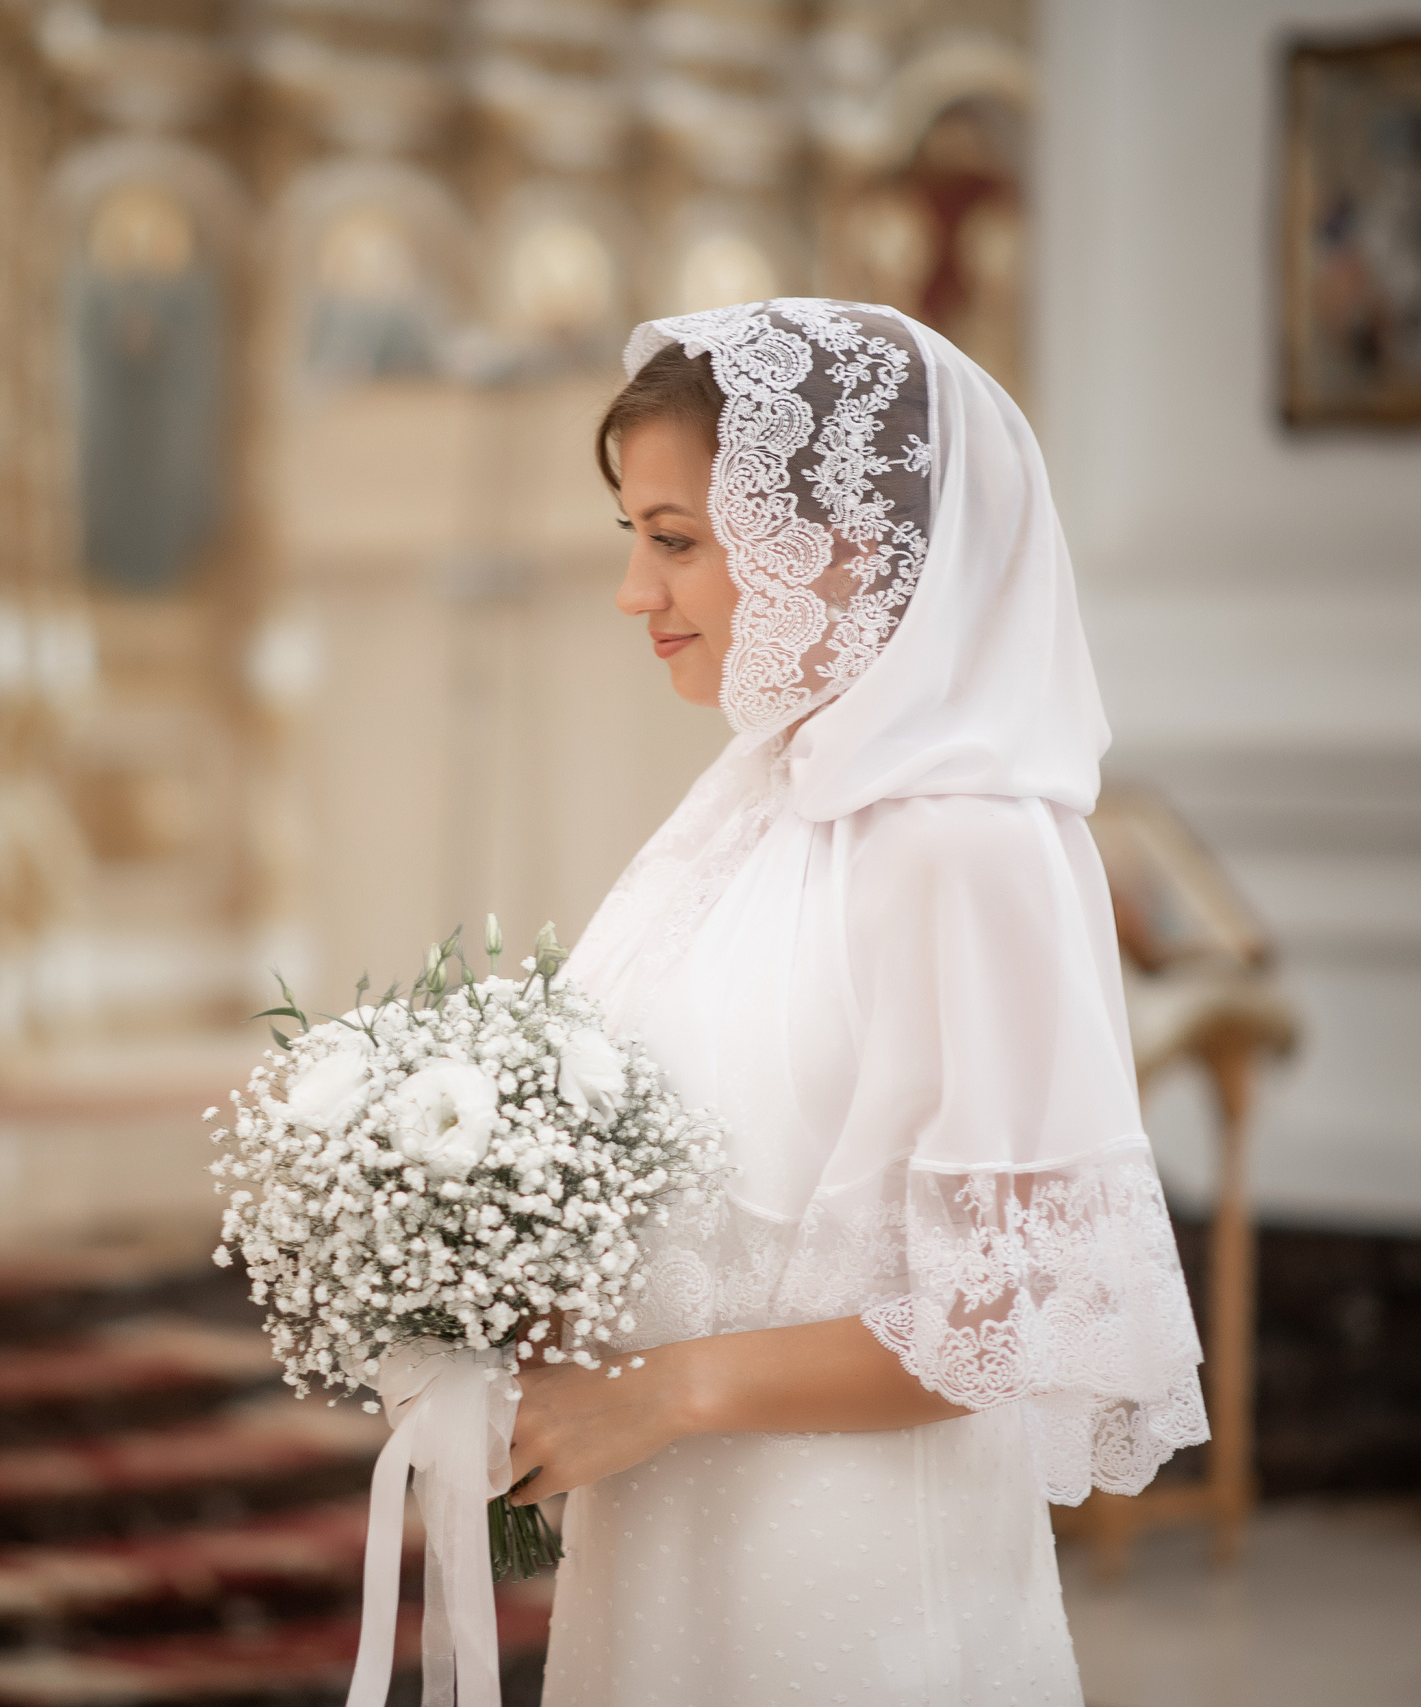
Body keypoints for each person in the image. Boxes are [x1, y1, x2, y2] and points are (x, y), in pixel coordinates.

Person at [509, 299, 1207, 1704]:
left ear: (833, 545)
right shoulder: (756, 803)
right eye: (635, 539)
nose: (637, 595)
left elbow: (1014, 1311)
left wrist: (665, 1392)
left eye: (676, 541)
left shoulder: (970, 843)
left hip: (856, 1588)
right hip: (661, 1553)